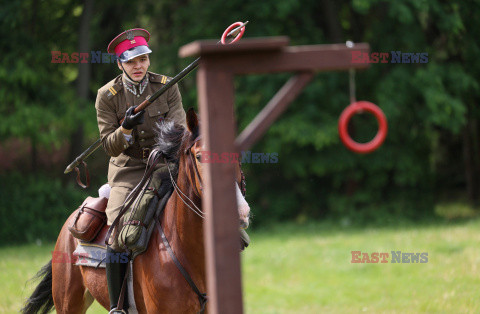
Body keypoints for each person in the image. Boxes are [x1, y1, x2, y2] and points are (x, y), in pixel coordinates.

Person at [95, 28, 186, 313]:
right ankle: (117, 306)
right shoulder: (107, 96)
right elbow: (109, 146)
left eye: (143, 59)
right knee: (117, 232)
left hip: (165, 164)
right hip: (128, 169)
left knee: (200, 201)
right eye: (131, 61)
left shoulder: (166, 85)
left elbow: (180, 130)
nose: (139, 66)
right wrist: (126, 129)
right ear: (120, 63)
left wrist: (166, 150)